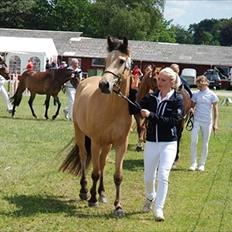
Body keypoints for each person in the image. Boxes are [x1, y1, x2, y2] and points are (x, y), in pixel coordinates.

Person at [138, 67, 184, 221]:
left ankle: (159, 209)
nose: (159, 82)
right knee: (148, 178)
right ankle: (150, 197)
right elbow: (134, 107)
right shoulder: (152, 97)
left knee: (163, 176)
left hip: (169, 144)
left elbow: (172, 122)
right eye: (158, 79)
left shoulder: (177, 99)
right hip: (151, 142)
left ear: (171, 82)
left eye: (163, 80)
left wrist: (151, 115)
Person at [189, 75, 219, 172]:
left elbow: (216, 111)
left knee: (205, 143)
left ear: (205, 83)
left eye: (200, 86)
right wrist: (191, 109)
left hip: (207, 122)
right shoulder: (196, 94)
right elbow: (192, 106)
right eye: (198, 86)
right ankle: (193, 163)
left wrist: (215, 124)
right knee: (193, 141)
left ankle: (202, 164)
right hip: (196, 120)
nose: (199, 88)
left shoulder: (212, 95)